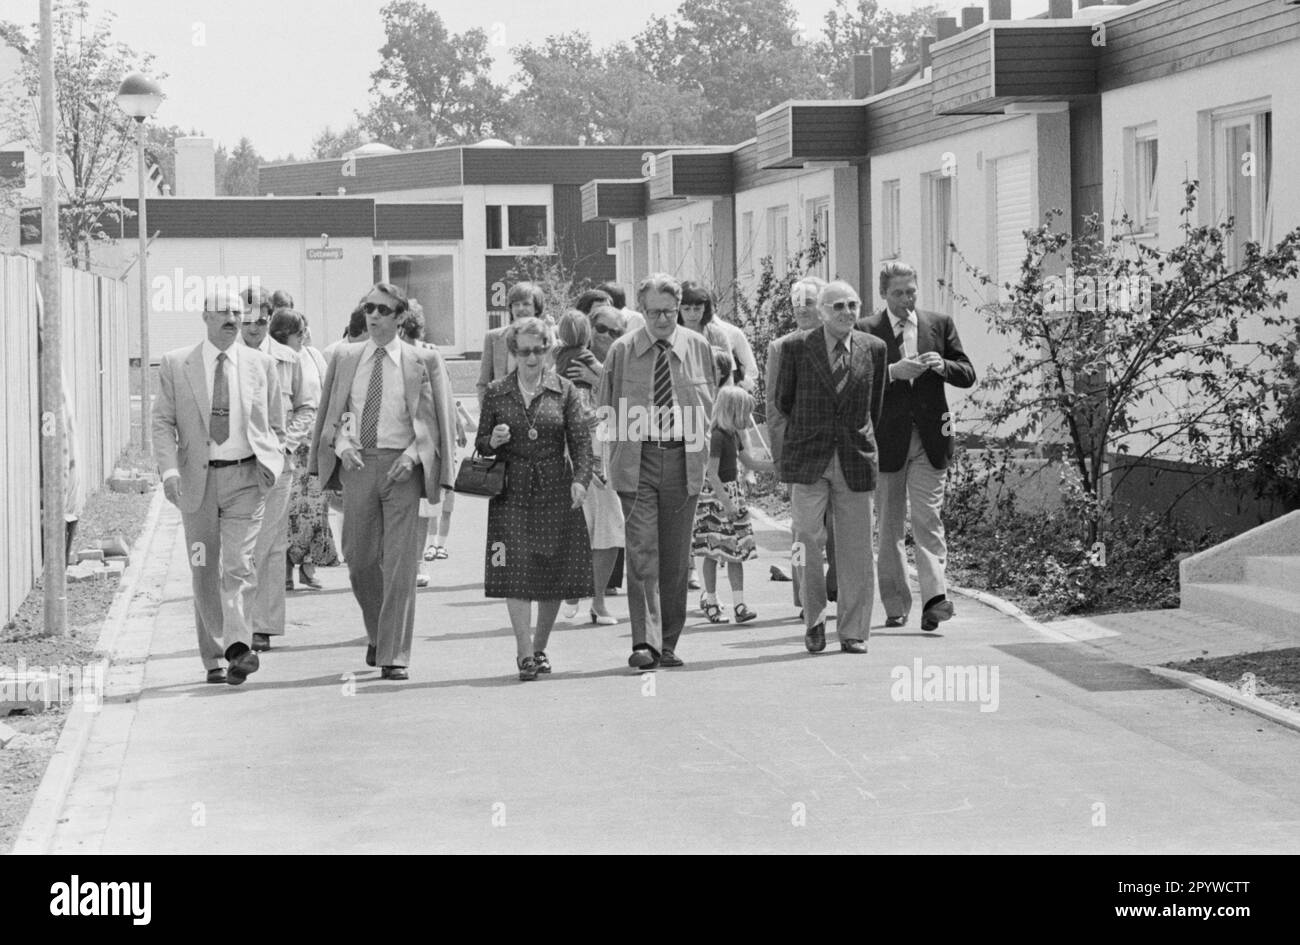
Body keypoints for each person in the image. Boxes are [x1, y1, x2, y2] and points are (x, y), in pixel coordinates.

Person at [309, 282, 457, 681]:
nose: (373, 316)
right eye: (369, 308)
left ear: (400, 317)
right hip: (358, 464)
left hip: (402, 468)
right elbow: (333, 415)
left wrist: (413, 456)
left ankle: (395, 654)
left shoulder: (421, 360)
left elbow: (432, 419)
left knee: (400, 563)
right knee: (358, 560)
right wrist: (341, 446)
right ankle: (379, 633)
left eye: (383, 310)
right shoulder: (345, 358)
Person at [153, 287, 286, 685]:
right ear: (205, 317)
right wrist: (169, 472)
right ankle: (214, 657)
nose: (233, 319)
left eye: (237, 312)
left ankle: (238, 648)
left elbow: (276, 424)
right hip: (196, 482)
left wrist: (273, 461)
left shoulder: (261, 365)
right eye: (223, 313)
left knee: (238, 566)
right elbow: (162, 422)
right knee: (202, 567)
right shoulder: (178, 365)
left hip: (245, 479)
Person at [597, 273, 717, 670]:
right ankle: (644, 643)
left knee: (675, 558)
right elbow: (606, 408)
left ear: (680, 307)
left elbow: (710, 408)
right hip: (639, 458)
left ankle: (668, 642)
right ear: (642, 311)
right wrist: (603, 462)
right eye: (653, 312)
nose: (662, 319)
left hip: (684, 459)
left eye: (669, 311)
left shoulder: (699, 347)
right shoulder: (623, 350)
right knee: (642, 552)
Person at [858, 261, 976, 632]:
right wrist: (893, 373)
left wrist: (942, 365)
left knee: (928, 520)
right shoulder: (866, 330)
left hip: (930, 438)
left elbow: (967, 373)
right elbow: (855, 381)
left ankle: (934, 601)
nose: (907, 298)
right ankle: (895, 604)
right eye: (899, 293)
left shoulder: (938, 324)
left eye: (911, 290)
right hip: (886, 441)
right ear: (883, 294)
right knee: (890, 526)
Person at [476, 316, 594, 681]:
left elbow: (581, 444)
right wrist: (492, 441)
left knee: (552, 571)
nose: (531, 358)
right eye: (524, 351)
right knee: (516, 571)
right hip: (512, 489)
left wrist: (580, 481)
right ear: (513, 351)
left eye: (539, 350)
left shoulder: (564, 390)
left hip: (556, 489)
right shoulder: (497, 391)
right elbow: (480, 445)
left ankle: (540, 646)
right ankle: (524, 653)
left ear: (548, 350)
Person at [776, 280, 887, 655]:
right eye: (837, 306)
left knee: (856, 550)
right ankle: (813, 618)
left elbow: (876, 407)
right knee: (805, 541)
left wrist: (861, 440)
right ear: (821, 312)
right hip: (810, 459)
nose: (847, 312)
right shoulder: (794, 348)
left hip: (855, 458)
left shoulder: (874, 348)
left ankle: (854, 630)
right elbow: (783, 400)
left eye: (852, 305)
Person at [240, 287, 316, 651]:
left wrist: (286, 445)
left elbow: (307, 406)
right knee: (239, 543)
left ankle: (262, 626)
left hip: (276, 464)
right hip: (233, 464)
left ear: (270, 319)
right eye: (246, 319)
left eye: (260, 320)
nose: (253, 328)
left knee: (270, 544)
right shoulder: (226, 357)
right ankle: (235, 618)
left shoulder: (290, 359)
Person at [766, 276, 836, 616]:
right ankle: (803, 594)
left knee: (839, 527)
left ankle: (835, 585)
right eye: (797, 302)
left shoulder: (841, 343)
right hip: (801, 454)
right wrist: (780, 457)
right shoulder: (782, 347)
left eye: (809, 301)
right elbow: (775, 409)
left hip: (841, 453)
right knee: (802, 532)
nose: (802, 307)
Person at [564, 301, 629, 623]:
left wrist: (599, 377)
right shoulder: (571, 361)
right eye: (601, 329)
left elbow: (635, 405)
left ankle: (598, 599)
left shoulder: (623, 364)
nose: (607, 336)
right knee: (578, 528)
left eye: (615, 331)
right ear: (590, 330)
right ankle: (574, 593)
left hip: (612, 457)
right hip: (576, 457)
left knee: (612, 529)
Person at [400, 304, 468, 587]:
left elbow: (445, 397)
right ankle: (402, 563)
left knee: (419, 510)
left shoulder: (430, 355)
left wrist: (455, 427)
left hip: (425, 444)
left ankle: (416, 564)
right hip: (395, 442)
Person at [693, 383, 772, 624]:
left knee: (736, 552)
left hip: (732, 494)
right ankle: (712, 600)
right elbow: (713, 473)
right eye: (745, 413)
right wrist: (726, 502)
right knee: (712, 551)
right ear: (733, 411)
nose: (748, 419)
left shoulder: (733, 435)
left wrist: (775, 466)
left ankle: (739, 603)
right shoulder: (718, 436)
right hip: (718, 498)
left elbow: (748, 460)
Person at [276, 309, 335, 591]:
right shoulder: (276, 360)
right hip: (288, 446)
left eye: (305, 330)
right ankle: (285, 569)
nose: (304, 336)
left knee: (314, 510)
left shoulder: (313, 355)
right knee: (288, 511)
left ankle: (308, 567)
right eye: (298, 332)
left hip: (313, 446)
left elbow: (326, 393)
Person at [677, 280, 754, 390]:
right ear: (678, 309)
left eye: (697, 309)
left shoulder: (718, 335)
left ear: (705, 308)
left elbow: (728, 376)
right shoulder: (671, 335)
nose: (692, 314)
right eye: (687, 309)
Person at [477, 281, 546, 403]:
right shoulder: (493, 338)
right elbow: (483, 384)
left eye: (526, 304)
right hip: (503, 415)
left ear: (536, 308)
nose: (520, 309)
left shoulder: (548, 338)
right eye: (516, 304)